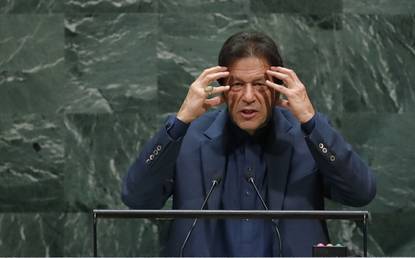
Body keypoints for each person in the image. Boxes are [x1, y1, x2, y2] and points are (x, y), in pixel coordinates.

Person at [121, 31, 376, 257]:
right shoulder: (188, 137)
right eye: (237, 85)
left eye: (259, 85)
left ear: (277, 87)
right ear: (221, 88)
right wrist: (179, 123)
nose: (249, 97)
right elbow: (137, 199)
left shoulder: (306, 136)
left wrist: (310, 120)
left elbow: (360, 192)